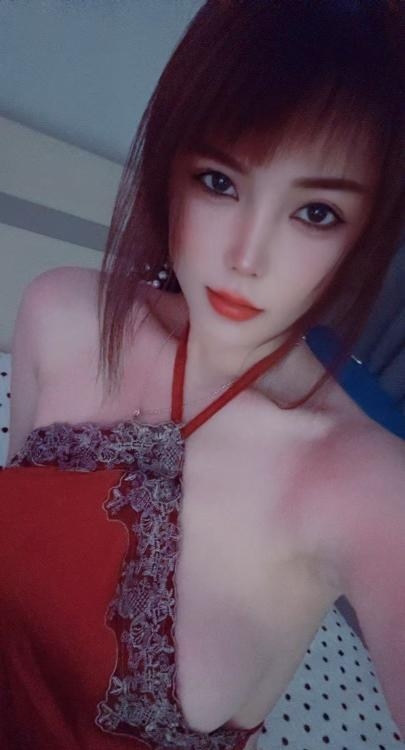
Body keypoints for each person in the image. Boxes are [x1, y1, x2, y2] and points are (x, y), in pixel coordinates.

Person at [1, 1, 404, 748]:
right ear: (170, 168)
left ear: (366, 234)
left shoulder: (363, 486)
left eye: (316, 213)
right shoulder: (60, 313)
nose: (246, 257)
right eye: (219, 182)